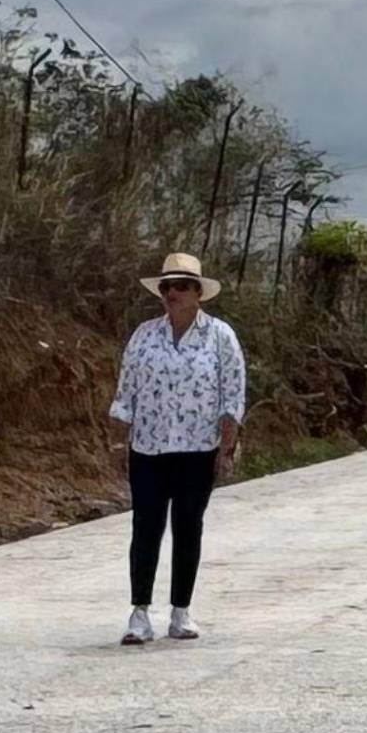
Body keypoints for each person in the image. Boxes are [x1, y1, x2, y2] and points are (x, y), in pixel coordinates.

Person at [108, 252, 246, 645]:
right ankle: (139, 612)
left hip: (197, 447)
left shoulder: (220, 336)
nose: (172, 293)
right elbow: (127, 388)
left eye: (181, 286)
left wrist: (227, 446)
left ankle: (181, 610)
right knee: (145, 527)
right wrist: (120, 439)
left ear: (198, 293)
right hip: (149, 446)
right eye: (167, 286)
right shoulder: (145, 334)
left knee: (188, 526)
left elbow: (232, 393)